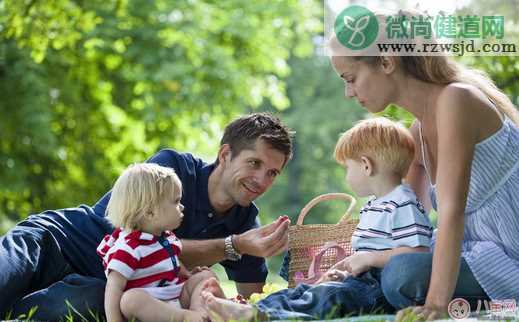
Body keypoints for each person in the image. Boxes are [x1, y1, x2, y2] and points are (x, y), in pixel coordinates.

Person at [0, 112, 294, 321]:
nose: (261, 180)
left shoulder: (246, 224)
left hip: (98, 286)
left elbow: (251, 302)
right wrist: (233, 246)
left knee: (89, 305)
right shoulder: (171, 170)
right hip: (55, 242)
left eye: (272, 173)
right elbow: (125, 236)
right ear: (225, 154)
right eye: (254, 163)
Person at [329, 12, 519, 320]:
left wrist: (436, 305)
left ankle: (482, 306)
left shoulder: (456, 100)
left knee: (401, 275)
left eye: (351, 79)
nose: (348, 92)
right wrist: (361, 256)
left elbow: (451, 211)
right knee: (373, 270)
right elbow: (407, 228)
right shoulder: (416, 133)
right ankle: (277, 309)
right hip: (472, 253)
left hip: (508, 257)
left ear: (387, 62)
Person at [201, 117, 434, 321]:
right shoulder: (376, 205)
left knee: (326, 298)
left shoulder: (403, 203)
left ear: (365, 166)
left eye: (347, 168)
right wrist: (346, 271)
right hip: (361, 283)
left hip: (378, 290)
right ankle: (248, 309)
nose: (347, 176)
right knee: (302, 292)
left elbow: (417, 255)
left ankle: (264, 317)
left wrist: (367, 259)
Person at [98, 163, 225, 322]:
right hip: (151, 307)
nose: (182, 207)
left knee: (206, 277)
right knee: (129, 300)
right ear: (150, 212)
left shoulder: (166, 238)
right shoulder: (128, 248)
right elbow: (113, 288)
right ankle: (186, 317)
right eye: (176, 201)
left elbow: (172, 260)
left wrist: (187, 274)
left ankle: (198, 314)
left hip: (175, 295)